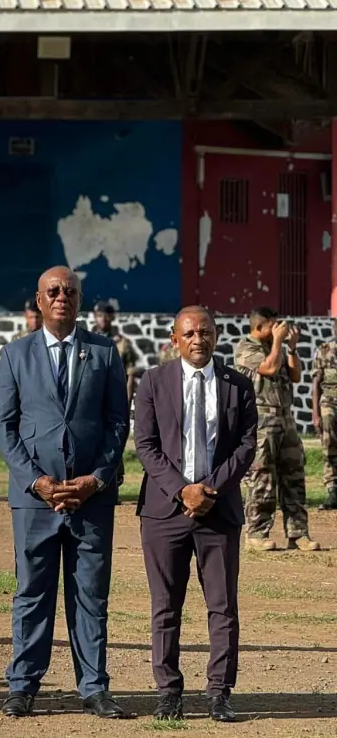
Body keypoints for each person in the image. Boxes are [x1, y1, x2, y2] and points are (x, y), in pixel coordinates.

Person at [0, 266, 128, 720]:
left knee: (90, 593)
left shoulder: (104, 353)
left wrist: (97, 478)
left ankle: (94, 687)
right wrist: (37, 481)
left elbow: (116, 424)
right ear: (39, 299)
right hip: (35, 498)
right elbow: (4, 427)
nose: (62, 297)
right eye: (53, 291)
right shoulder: (15, 355)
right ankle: (22, 686)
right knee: (32, 592)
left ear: (80, 298)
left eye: (70, 291)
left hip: (90, 497)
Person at [132, 306, 256, 723]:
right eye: (189, 333)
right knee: (165, 605)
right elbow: (146, 445)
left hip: (218, 511)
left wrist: (209, 490)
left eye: (205, 331)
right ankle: (169, 692)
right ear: (174, 339)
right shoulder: (153, 381)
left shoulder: (238, 385)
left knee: (222, 607)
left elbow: (246, 446)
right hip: (164, 511)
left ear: (216, 336)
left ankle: (219, 692)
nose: (197, 339)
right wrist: (182, 489)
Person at [233, 308, 319, 551]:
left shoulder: (277, 347)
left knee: (294, 476)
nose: (277, 330)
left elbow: (294, 374)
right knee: (263, 478)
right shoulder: (246, 348)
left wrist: (290, 347)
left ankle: (297, 533)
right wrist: (279, 342)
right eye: (273, 326)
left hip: (285, 418)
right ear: (259, 327)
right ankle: (256, 534)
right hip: (261, 420)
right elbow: (268, 369)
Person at [90, 302, 141, 409]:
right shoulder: (86, 341)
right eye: (99, 315)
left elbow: (130, 374)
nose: (103, 319)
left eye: (107, 315)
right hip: (91, 396)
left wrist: (126, 402)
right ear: (94, 317)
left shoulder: (122, 343)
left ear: (112, 317)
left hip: (114, 397)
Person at [310, 338, 337, 511]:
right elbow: (316, 383)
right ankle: (333, 490)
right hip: (329, 402)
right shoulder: (324, 350)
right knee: (329, 445)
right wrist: (315, 414)